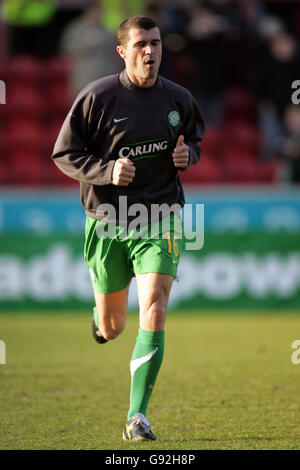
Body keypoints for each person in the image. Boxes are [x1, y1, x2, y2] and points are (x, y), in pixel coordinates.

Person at [52, 15, 205, 442]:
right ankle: (101, 321)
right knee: (114, 326)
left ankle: (136, 417)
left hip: (161, 217)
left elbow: (194, 140)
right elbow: (63, 153)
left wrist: (187, 157)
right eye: (140, 44)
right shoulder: (97, 97)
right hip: (107, 223)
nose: (150, 51)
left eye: (155, 43)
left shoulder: (178, 99)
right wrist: (105, 170)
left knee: (154, 306)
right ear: (122, 50)